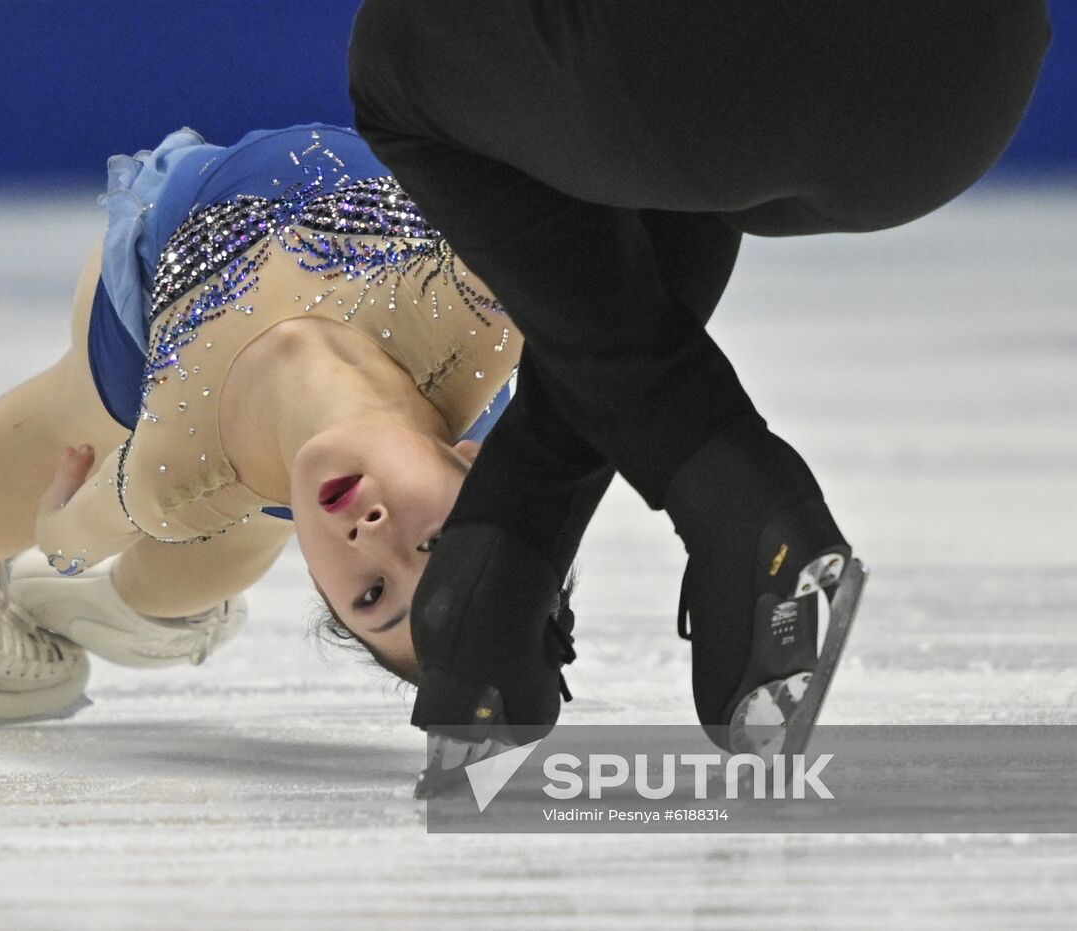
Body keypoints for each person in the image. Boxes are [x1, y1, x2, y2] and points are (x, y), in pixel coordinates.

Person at [346, 0, 1052, 756]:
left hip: (712, 79)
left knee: (399, 56)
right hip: (966, 91)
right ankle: (499, 575)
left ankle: (729, 495)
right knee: (656, 127)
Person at [0, 123, 526, 724]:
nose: (375, 537)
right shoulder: (483, 320)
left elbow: (67, 536)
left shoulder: (176, 469)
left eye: (368, 598)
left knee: (200, 509)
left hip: (191, 394)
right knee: (86, 417)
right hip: (172, 256)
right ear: (473, 466)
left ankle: (136, 605)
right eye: (432, 543)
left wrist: (62, 525)